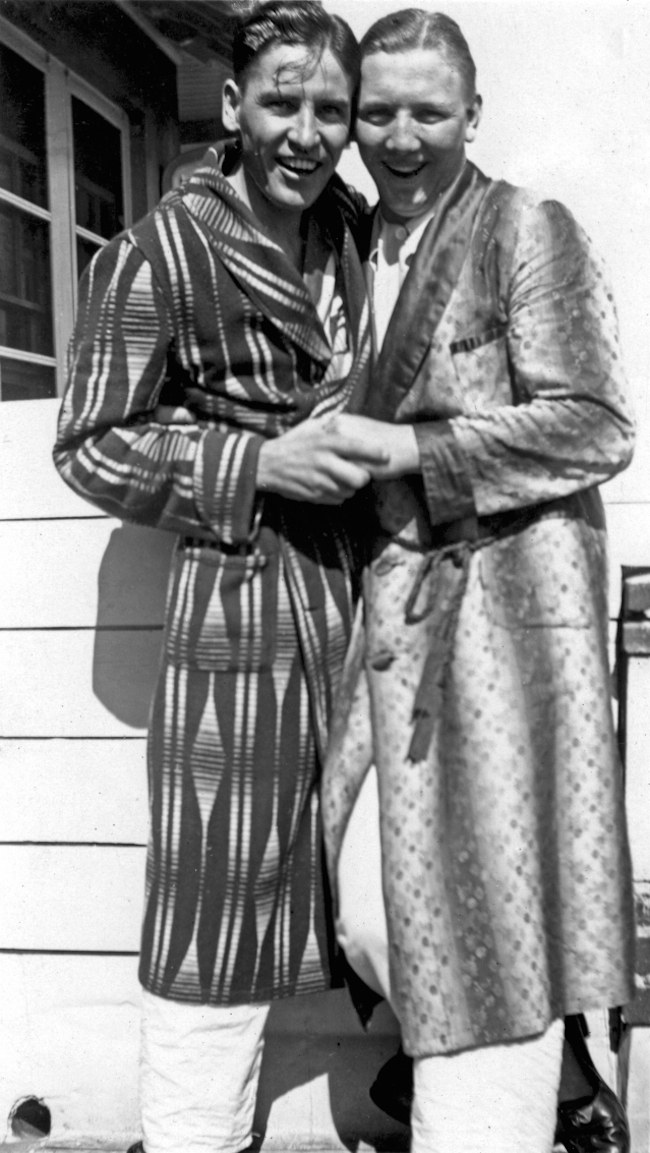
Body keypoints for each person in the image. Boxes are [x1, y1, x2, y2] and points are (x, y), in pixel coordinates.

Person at [52, 5, 389, 1153]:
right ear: (234, 106)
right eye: (282, 102)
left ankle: (469, 1083)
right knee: (216, 887)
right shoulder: (160, 249)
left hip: (364, 591)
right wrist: (254, 463)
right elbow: (90, 441)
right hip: (239, 596)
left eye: (329, 109)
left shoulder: (356, 229)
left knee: (393, 866)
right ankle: (191, 1134)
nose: (306, 131)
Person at [320, 9, 636, 1153]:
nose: (400, 138)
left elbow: (595, 424)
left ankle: (507, 1107)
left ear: (472, 114)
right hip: (387, 619)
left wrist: (417, 450)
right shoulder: (348, 246)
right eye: (377, 113)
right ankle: (554, 1086)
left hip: (503, 622)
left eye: (428, 112)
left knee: (489, 905)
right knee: (368, 904)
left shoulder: (523, 229)